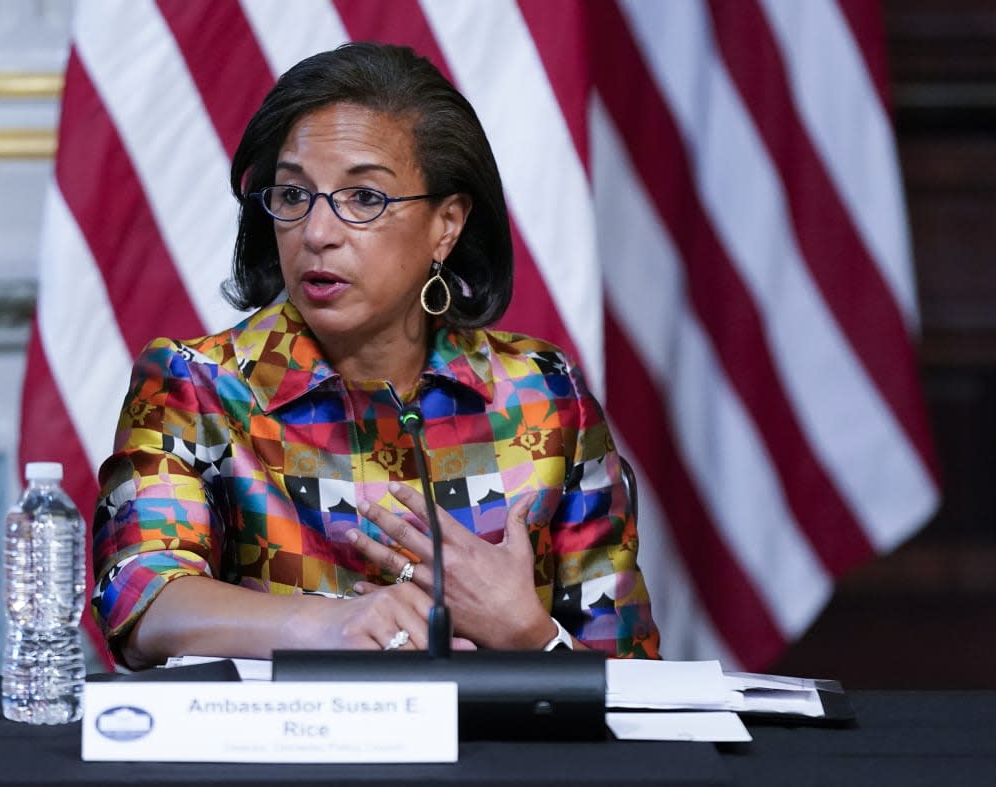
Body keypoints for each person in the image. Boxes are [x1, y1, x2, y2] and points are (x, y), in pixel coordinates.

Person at [92, 42, 660, 669]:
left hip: (493, 764)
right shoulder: (197, 385)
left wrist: (523, 630)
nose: (316, 232)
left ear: (446, 224)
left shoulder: (545, 397)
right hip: (285, 761)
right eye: (293, 194)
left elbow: (634, 675)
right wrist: (331, 626)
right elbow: (139, 600)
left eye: (364, 199)